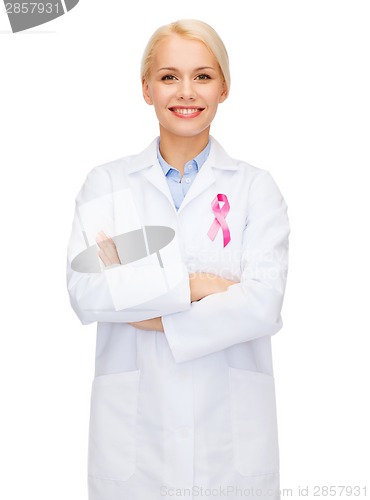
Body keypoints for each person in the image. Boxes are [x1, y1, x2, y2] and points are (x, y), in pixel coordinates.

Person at [67, 19, 290, 500]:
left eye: (202, 76)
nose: (185, 92)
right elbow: (88, 292)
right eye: (168, 76)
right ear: (146, 89)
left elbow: (263, 305)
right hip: (135, 442)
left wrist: (144, 305)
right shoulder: (108, 186)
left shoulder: (255, 189)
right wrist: (197, 287)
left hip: (229, 440)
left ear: (224, 87)